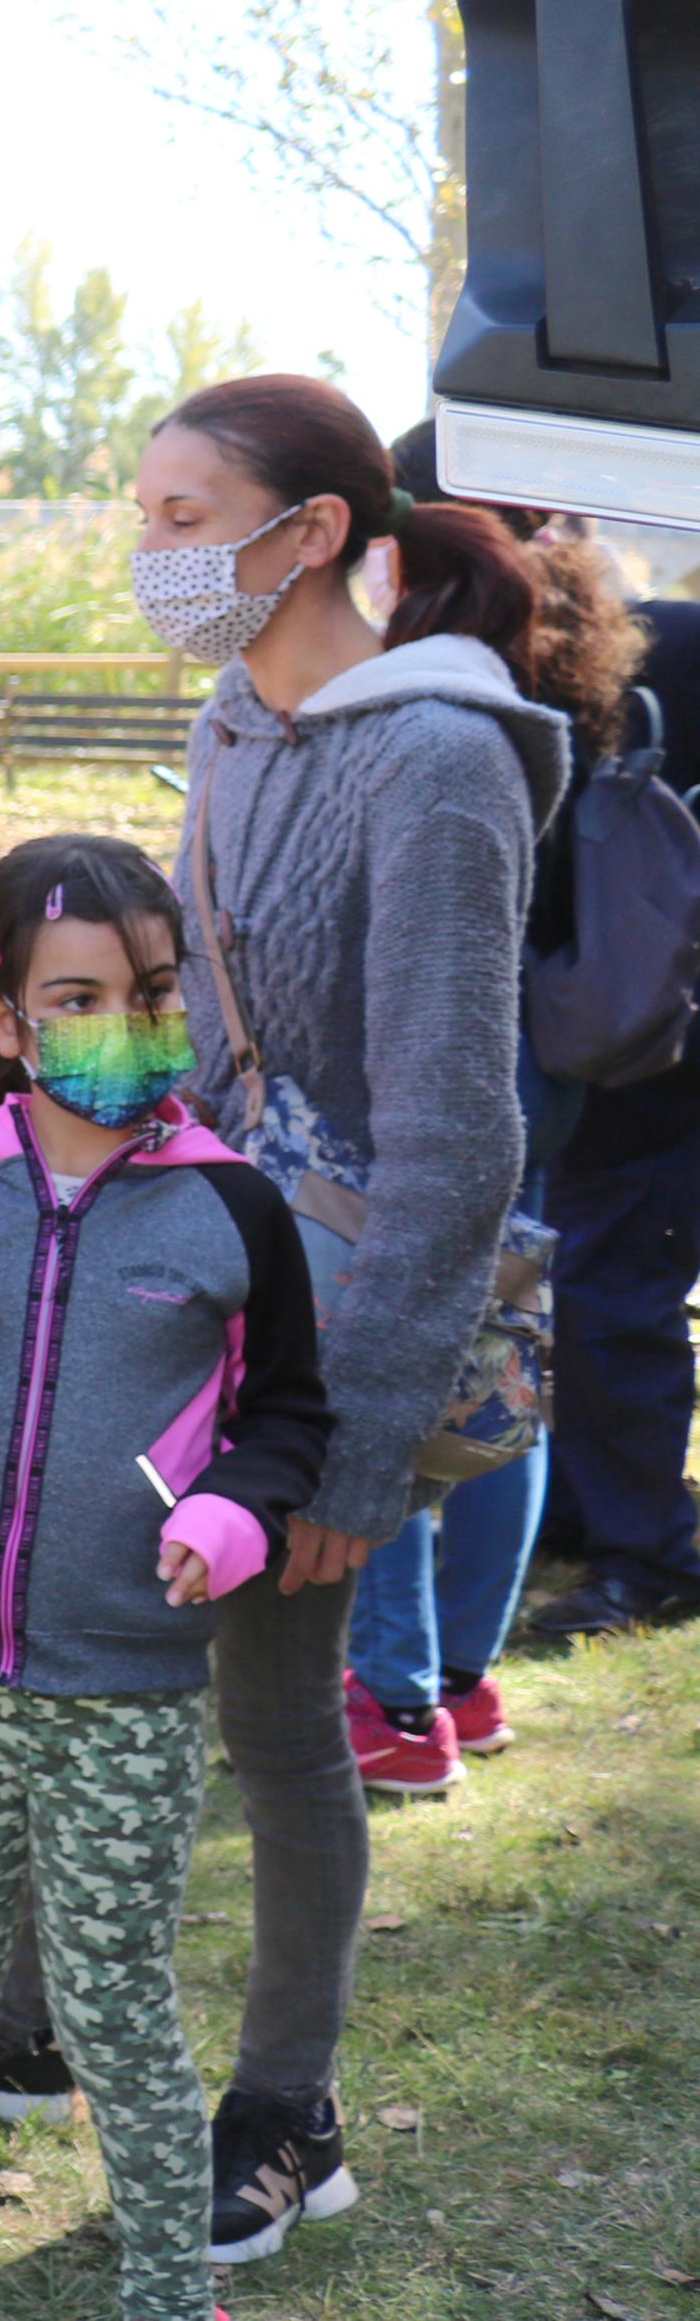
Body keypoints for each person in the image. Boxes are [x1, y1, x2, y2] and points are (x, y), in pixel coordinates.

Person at [0, 373, 559, 2264]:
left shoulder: (439, 758)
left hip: (331, 1334)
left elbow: (454, 1135)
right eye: (139, 511)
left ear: (306, 534)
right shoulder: (236, 716)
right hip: (187, 1269)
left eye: (175, 517)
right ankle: (11, 2033)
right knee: (63, 1640)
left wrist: (351, 1448)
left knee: (275, 1724)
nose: (146, 553)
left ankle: (284, 2109)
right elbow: (200, 1035)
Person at [0, 835, 341, 2321]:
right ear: (5, 1013)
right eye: (80, 994)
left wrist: (232, 1512)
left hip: (127, 1685)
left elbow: (287, 1412)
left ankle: (169, 2284)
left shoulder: (233, 1211)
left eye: (152, 992)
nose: (125, 1025)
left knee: (111, 2000)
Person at [333, 430, 640, 1786]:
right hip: (554, 1051)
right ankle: (459, 1676)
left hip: (448, 1037)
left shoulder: (435, 693)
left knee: (398, 1339)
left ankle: (390, 1697)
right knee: (504, 1335)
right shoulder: (576, 662)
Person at [526, 580, 700, 1643]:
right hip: (615, 1033)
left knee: (609, 1290)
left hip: (644, 1041)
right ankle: (597, 1510)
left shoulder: (651, 647)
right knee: (590, 1285)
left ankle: (646, 1552)